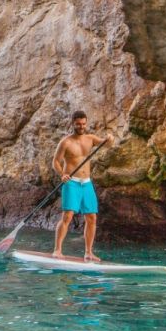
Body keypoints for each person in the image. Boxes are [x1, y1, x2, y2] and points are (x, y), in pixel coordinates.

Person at [52, 110, 114, 261]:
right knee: (67, 216)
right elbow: (55, 162)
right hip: (71, 182)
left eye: (83, 124)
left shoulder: (90, 139)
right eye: (78, 124)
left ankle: (88, 252)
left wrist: (110, 138)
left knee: (92, 217)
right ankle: (57, 250)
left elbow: (107, 145)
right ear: (72, 123)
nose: (81, 126)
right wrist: (62, 174)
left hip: (86, 183)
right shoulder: (65, 142)